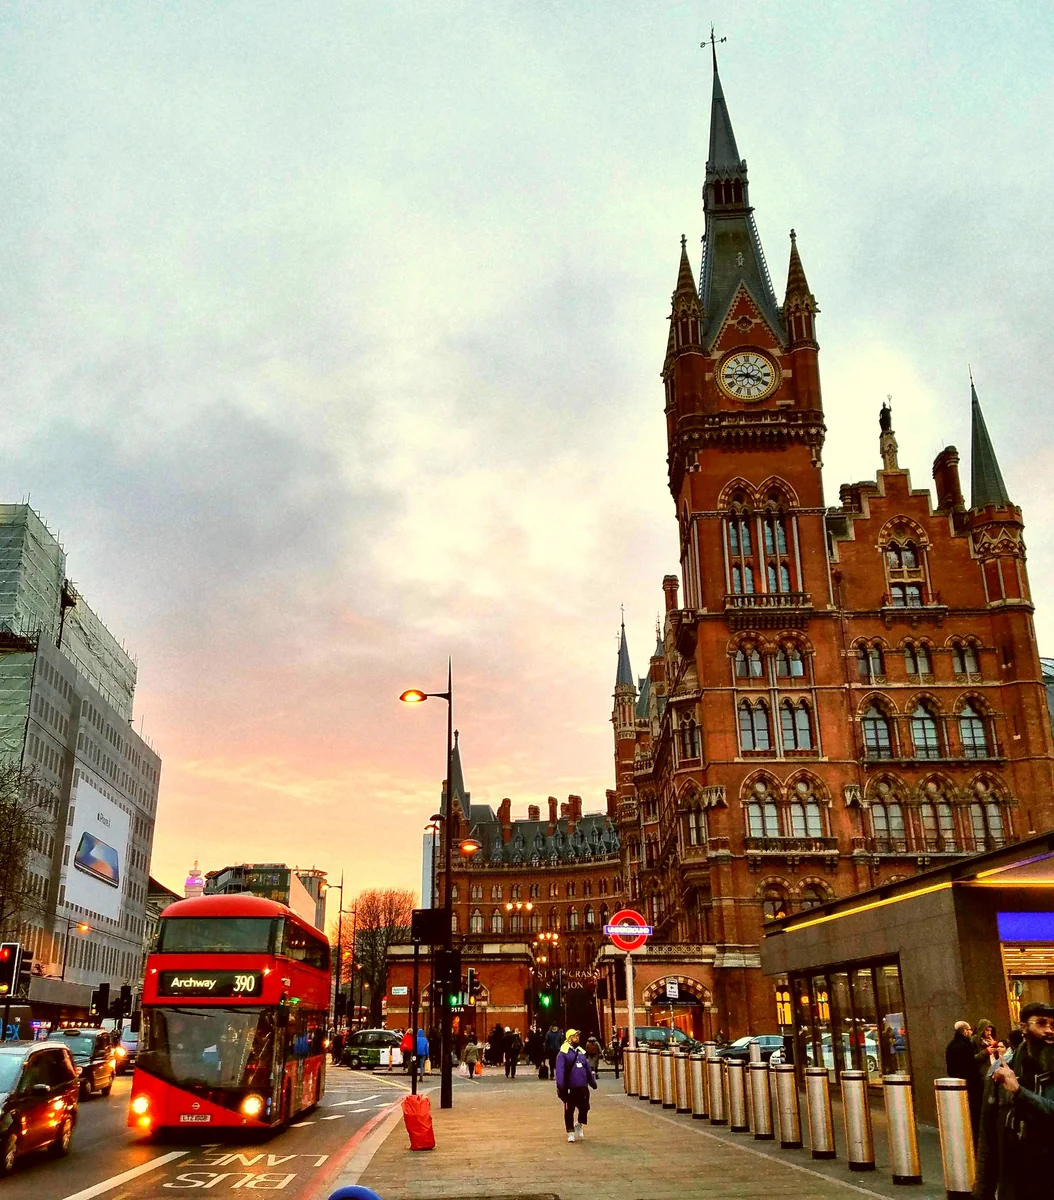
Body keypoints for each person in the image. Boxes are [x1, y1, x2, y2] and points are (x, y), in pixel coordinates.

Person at [975, 1000, 1054, 1200]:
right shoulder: (1000, 1072)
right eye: (1042, 1023)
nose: (1049, 1031)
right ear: (1024, 1028)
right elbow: (988, 1136)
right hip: (1015, 1181)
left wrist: (1019, 1092)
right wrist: (983, 1190)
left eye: (1053, 1025)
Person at [555, 1029, 597, 1143]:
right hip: (569, 1086)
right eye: (575, 1036)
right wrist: (561, 1086)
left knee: (585, 1106)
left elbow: (587, 1068)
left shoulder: (581, 1052)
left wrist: (592, 1082)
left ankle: (579, 1123)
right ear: (569, 1039)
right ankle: (570, 1132)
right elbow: (560, 1071)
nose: (577, 1037)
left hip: (582, 1085)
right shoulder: (563, 1053)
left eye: (578, 1036)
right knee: (569, 1109)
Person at [945, 1019, 983, 1138]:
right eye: (970, 1029)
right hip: (970, 1084)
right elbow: (971, 1064)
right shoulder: (965, 1046)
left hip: (957, 1082)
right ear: (965, 1031)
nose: (971, 1032)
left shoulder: (951, 1045)